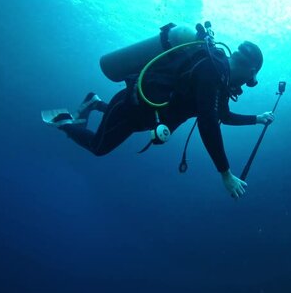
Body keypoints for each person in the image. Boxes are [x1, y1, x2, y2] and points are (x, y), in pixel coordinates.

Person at [43, 23, 275, 199]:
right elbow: (208, 123)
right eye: (250, 80)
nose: (245, 85)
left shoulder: (220, 81)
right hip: (129, 107)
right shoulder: (212, 72)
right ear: (250, 71)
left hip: (141, 115)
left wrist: (257, 119)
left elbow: (222, 116)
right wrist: (225, 173)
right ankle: (64, 122)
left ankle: (94, 103)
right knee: (99, 147)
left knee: (122, 125)